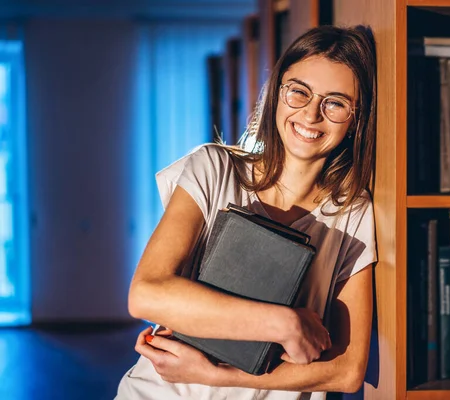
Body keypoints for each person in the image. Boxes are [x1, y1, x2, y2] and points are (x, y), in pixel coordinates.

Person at [115, 24, 378, 400]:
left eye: (335, 103)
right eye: (298, 92)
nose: (310, 114)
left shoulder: (353, 212)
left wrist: (217, 374)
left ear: (356, 120)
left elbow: (348, 372)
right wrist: (285, 323)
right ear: (276, 95)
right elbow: (146, 295)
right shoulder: (213, 167)